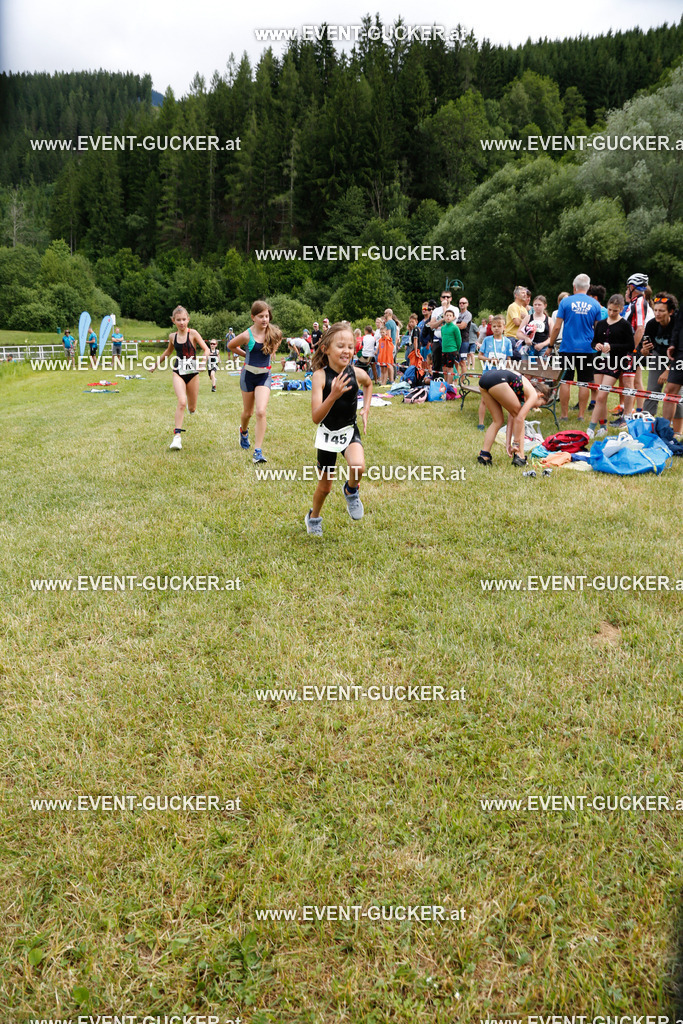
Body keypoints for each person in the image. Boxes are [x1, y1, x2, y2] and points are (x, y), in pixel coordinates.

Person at [305, 323, 373, 537]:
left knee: (358, 466)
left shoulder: (356, 372)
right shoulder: (319, 376)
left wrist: (366, 408)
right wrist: (332, 394)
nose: (347, 351)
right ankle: (313, 517)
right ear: (325, 348)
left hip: (348, 430)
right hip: (327, 435)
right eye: (341, 346)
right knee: (325, 488)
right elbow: (316, 417)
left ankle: (351, 490)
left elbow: (369, 384)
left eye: (351, 347)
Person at [228, 300, 282, 464]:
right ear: (253, 317)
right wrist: (246, 355)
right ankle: (243, 432)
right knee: (248, 413)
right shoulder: (247, 335)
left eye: (267, 316)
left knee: (260, 411)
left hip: (264, 376)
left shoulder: (272, 333)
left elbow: (278, 340)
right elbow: (231, 345)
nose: (265, 320)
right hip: (248, 376)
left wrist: (273, 350)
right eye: (260, 316)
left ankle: (257, 451)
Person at [150, 305, 210, 450]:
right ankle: (177, 437)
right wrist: (156, 364)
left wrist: (202, 363)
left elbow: (206, 349)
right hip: (178, 371)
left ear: (188, 319)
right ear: (173, 321)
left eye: (184, 319)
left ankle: (192, 409)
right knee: (181, 401)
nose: (182, 322)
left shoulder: (193, 334)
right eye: (178, 320)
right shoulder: (172, 336)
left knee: (192, 407)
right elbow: (168, 352)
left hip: (193, 373)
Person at [547, 274, 601, 421]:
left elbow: (557, 327)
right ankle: (581, 415)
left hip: (567, 348)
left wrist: (550, 346)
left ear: (574, 287)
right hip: (588, 349)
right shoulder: (595, 304)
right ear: (588, 287)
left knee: (566, 381)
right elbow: (598, 329)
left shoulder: (565, 302)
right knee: (584, 382)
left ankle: (564, 415)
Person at [476, 367, 548, 467]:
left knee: (498, 421)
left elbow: (511, 419)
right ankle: (520, 457)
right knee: (520, 416)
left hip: (485, 379)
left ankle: (484, 456)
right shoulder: (533, 394)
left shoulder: (520, 392)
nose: (536, 407)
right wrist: (516, 444)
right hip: (498, 379)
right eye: (539, 404)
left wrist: (508, 444)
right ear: (540, 395)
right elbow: (519, 419)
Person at [587, 294, 635, 438]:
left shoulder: (625, 325)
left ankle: (590, 428)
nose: (612, 313)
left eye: (615, 310)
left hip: (615, 362)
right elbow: (593, 342)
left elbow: (630, 345)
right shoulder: (601, 323)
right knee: (600, 396)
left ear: (621, 309)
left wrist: (612, 347)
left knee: (601, 396)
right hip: (600, 361)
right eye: (610, 310)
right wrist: (598, 345)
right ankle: (603, 426)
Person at [639, 293, 678, 417]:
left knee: (674, 394)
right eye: (655, 310)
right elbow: (643, 348)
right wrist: (644, 351)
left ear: (671, 312)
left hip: (678, 358)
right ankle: (646, 424)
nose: (657, 313)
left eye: (661, 311)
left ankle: (676, 429)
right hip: (658, 356)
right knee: (652, 392)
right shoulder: (651, 324)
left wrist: (668, 370)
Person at [477, 315, 512, 429]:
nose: (497, 328)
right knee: (484, 399)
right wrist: (489, 360)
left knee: (503, 399)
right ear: (491, 327)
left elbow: (508, 359)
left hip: (501, 375)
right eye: (494, 326)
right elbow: (480, 357)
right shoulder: (487, 340)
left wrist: (508, 365)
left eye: (499, 326)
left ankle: (501, 422)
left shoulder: (507, 342)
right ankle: (481, 423)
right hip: (487, 374)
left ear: (504, 327)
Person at [427, 289, 457, 375]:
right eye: (444, 297)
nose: (445, 299)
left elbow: (449, 323)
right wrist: (443, 319)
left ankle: (448, 384)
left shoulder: (455, 309)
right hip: (437, 339)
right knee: (436, 363)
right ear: (440, 298)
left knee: (448, 365)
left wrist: (444, 308)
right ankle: (436, 382)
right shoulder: (436, 310)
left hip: (448, 340)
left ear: (451, 298)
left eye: (448, 297)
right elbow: (432, 325)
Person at [517, 295, 554, 365]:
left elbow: (552, 337)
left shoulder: (549, 320)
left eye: (539, 305)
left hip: (543, 348)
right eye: (535, 304)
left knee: (540, 373)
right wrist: (526, 338)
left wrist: (542, 345)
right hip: (528, 348)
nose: (537, 306)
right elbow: (518, 333)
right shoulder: (528, 318)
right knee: (527, 372)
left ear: (545, 306)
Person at [663, 304, 683, 428]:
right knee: (670, 391)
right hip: (681, 352)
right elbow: (678, 325)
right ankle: (665, 430)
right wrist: (673, 343)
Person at [504, 287, 529, 359]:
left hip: (521, 339)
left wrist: (525, 319)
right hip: (512, 338)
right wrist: (525, 319)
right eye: (523, 293)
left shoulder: (524, 309)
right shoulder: (513, 306)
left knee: (521, 361)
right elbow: (517, 322)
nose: (525, 295)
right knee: (515, 359)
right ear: (516, 295)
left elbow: (529, 325)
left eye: (526, 293)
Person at [440, 308, 462, 384]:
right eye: (447, 315)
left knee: (450, 368)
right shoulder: (442, 328)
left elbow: (459, 340)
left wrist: (456, 350)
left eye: (450, 315)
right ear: (444, 317)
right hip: (444, 350)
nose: (448, 317)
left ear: (453, 317)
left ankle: (449, 385)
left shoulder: (455, 328)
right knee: (444, 368)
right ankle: (445, 383)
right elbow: (443, 338)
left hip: (452, 350)